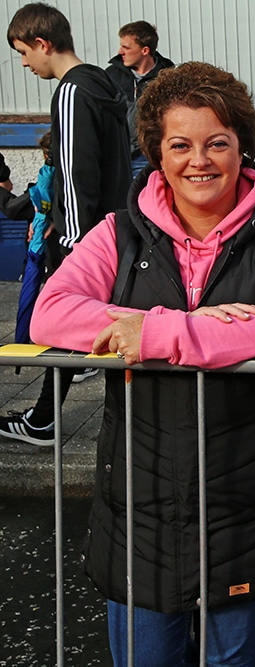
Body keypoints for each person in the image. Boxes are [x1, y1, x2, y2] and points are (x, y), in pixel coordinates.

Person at [30, 61, 255, 667]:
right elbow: (51, 314)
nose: (201, 160)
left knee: (229, 659)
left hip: (244, 494)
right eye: (181, 145)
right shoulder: (118, 233)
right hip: (141, 495)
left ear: (242, 148)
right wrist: (204, 330)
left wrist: (151, 330)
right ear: (156, 154)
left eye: (218, 142)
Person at [1, 2, 132, 446]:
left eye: (23, 52)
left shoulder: (73, 91)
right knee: (89, 329)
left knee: (63, 322)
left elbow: (75, 172)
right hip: (111, 227)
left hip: (85, 237)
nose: (23, 63)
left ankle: (43, 421)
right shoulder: (102, 84)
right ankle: (44, 418)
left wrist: (74, 239)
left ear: (43, 43)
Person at [105, 20, 175, 176]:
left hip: (149, 157)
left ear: (145, 50)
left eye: (126, 47)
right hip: (116, 155)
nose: (120, 51)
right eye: (121, 45)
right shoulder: (111, 75)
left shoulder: (168, 78)